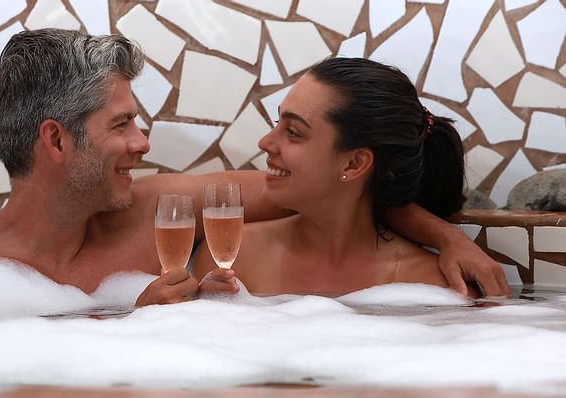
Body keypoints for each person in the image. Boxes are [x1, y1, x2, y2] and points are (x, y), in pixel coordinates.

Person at [0, 29, 509, 308]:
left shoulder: (166, 210)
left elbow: (334, 192)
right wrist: (131, 320)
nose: (143, 143)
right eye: (121, 125)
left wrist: (449, 239)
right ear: (55, 139)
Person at [193, 57, 495, 297]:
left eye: (294, 132)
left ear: (353, 164)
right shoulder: (232, 259)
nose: (266, 143)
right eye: (277, 122)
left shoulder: (436, 288)